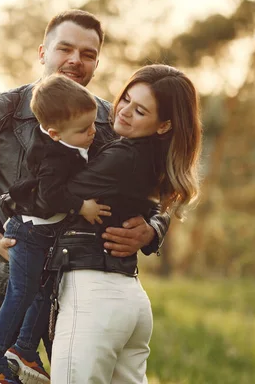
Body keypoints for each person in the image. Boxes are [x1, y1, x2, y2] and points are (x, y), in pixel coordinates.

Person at [0, 9, 170, 384]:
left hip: (82, 285)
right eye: (65, 49)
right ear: (42, 52)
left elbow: (155, 195)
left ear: (97, 62)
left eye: (88, 54)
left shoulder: (114, 121)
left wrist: (152, 230)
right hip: (10, 279)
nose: (76, 60)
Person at [48, 64, 202, 383]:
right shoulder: (154, 157)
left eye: (140, 110)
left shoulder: (122, 156)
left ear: (164, 126)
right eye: (127, 99)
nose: (125, 111)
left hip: (93, 295)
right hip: (128, 300)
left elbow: (54, 197)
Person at [0, 74, 112, 384]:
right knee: (21, 295)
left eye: (94, 125)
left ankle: (24, 350)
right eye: (84, 129)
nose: (93, 132)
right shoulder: (54, 155)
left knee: (40, 294)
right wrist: (81, 206)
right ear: (55, 133)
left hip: (40, 235)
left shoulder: (65, 145)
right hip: (30, 234)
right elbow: (50, 194)